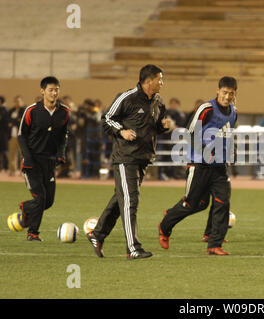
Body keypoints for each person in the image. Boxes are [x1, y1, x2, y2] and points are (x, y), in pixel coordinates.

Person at [86, 64, 171, 260]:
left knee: (121, 199)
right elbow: (106, 118)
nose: (162, 83)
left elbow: (155, 127)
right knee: (130, 201)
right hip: (125, 158)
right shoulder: (127, 97)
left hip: (143, 159)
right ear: (148, 81)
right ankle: (133, 248)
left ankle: (97, 234)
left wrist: (163, 127)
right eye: (159, 79)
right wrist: (121, 131)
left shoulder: (158, 102)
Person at [158, 76, 238, 256]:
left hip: (218, 166)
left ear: (235, 94)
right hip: (199, 164)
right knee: (193, 204)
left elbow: (228, 135)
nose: (227, 96)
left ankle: (214, 244)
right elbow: (190, 133)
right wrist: (205, 151)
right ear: (218, 91)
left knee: (222, 201)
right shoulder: (206, 108)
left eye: (231, 94)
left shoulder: (234, 112)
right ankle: (165, 225)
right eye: (224, 92)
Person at [17, 76, 69, 241]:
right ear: (42, 91)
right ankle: (33, 233)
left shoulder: (64, 112)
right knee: (40, 198)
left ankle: (25, 207)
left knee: (48, 202)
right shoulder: (32, 110)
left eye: (56, 90)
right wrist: (27, 157)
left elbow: (63, 136)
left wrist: (61, 154)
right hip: (32, 161)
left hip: (50, 161)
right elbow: (21, 135)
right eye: (50, 90)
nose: (54, 93)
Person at [7, 95, 26, 176]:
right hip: (12, 136)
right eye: (16, 101)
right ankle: (13, 170)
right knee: (12, 154)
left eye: (19, 101)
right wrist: (14, 121)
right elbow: (7, 120)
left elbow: (21, 121)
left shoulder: (24, 110)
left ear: (22, 102)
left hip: (21, 135)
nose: (17, 103)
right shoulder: (11, 111)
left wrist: (13, 122)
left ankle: (23, 170)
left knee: (23, 154)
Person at [0, 96, 9, 172]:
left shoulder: (4, 110)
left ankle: (6, 167)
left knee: (4, 151)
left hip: (3, 134)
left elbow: (6, 123)